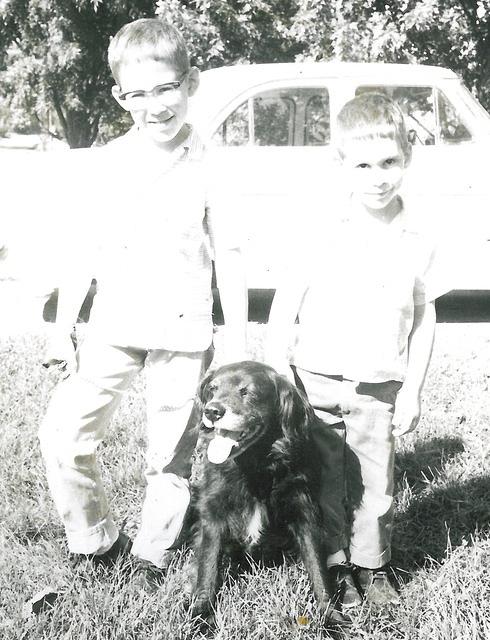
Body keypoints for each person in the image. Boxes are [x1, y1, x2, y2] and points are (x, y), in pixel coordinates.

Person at [39, 18, 247, 579]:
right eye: (138, 94)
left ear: (191, 83)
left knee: (169, 459)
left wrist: (240, 347)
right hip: (113, 326)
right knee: (62, 435)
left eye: (165, 88)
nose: (154, 106)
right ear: (118, 96)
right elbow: (85, 250)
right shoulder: (109, 162)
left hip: (184, 332)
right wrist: (63, 328)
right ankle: (96, 540)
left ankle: (152, 554)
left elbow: (228, 256)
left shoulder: (214, 163)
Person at [265, 92, 449, 609]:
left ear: (407, 158)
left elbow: (426, 315)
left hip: (378, 382)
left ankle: (372, 564)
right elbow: (288, 296)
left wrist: (412, 389)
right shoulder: (320, 227)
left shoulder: (420, 235)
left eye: (389, 162)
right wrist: (278, 363)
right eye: (363, 164)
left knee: (376, 481)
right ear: (341, 165)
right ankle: (333, 563)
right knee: (322, 476)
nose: (377, 176)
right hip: (314, 377)